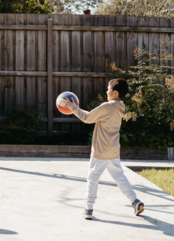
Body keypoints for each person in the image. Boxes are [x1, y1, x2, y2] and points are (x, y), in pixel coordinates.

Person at [59, 78, 144, 220]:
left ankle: (88, 208)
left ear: (115, 93)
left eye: (108, 89)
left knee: (93, 178)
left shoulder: (107, 106)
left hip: (100, 151)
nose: (106, 91)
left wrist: (73, 108)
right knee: (120, 177)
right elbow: (93, 116)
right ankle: (135, 200)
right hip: (113, 150)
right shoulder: (120, 107)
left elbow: (87, 118)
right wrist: (76, 108)